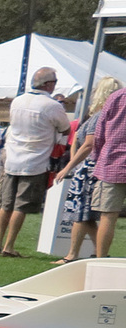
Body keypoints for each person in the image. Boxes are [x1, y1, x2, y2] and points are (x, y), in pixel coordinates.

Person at [0, 67, 73, 257]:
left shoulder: (18, 100)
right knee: (21, 205)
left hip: (13, 156)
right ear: (48, 84)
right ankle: (9, 246)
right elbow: (65, 128)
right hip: (35, 159)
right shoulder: (52, 105)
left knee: (6, 204)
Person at [53, 80, 121, 263]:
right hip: (97, 166)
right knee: (87, 215)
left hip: (95, 167)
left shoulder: (103, 112)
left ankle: (77, 255)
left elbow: (90, 145)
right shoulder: (106, 112)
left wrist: (68, 167)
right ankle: (98, 253)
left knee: (82, 214)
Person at [91, 84, 126, 258]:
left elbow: (99, 133)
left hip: (112, 163)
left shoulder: (116, 97)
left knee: (107, 217)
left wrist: (97, 158)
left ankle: (100, 258)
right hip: (113, 162)